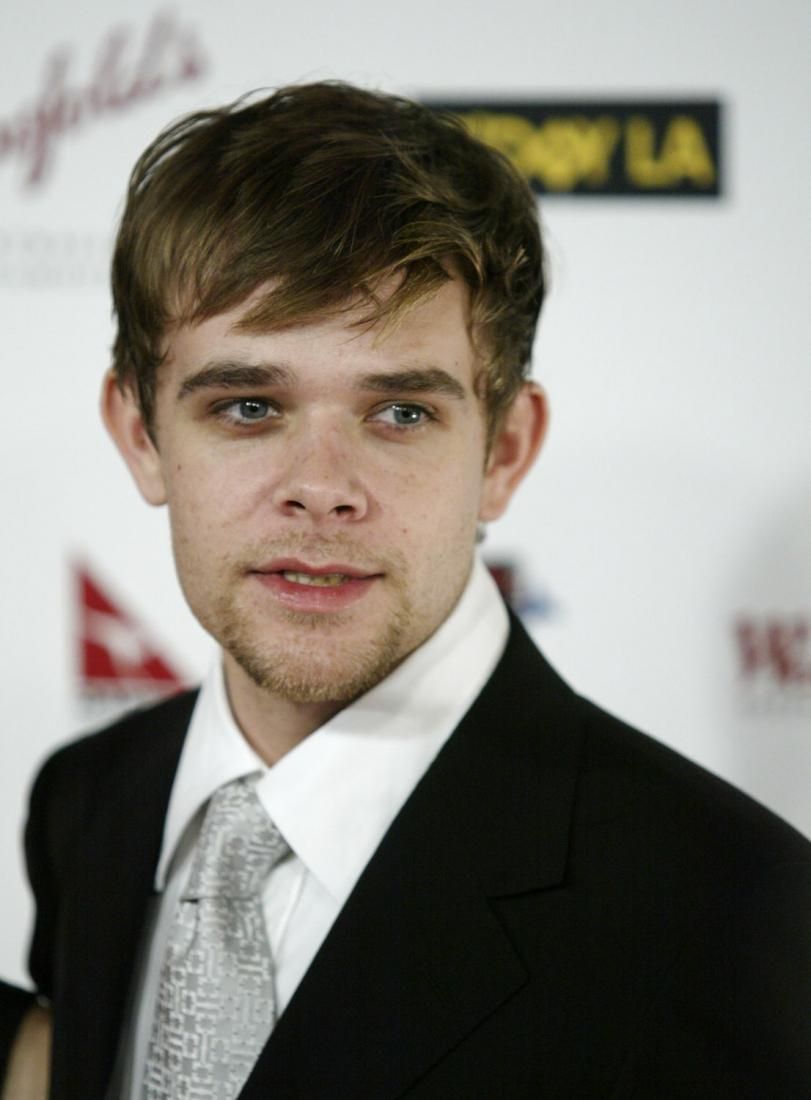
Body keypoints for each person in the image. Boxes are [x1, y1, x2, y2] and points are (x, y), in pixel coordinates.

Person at [2, 81, 810, 1100]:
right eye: (247, 406)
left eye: (399, 414)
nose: (322, 488)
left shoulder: (735, 914)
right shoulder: (85, 802)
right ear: (140, 435)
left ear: (503, 450)